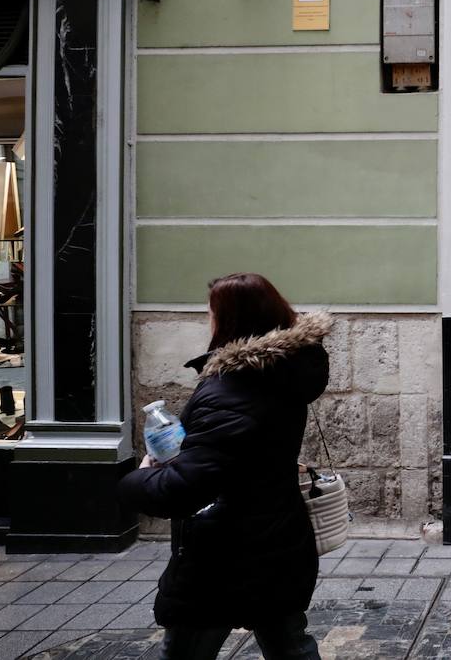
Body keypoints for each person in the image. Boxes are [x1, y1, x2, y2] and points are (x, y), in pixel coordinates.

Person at [119, 273, 332, 660]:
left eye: (212, 313)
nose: (209, 321)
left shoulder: (234, 389)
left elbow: (187, 487)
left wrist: (140, 477)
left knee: (186, 652)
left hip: (225, 552)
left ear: (231, 320)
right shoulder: (284, 372)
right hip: (278, 536)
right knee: (290, 646)